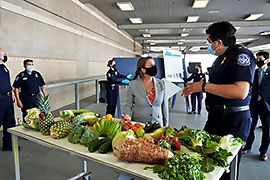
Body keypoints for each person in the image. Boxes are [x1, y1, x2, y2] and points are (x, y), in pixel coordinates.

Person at [181, 21, 256, 180]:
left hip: (233, 120)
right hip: (216, 117)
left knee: (225, 167)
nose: (209, 46)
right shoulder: (221, 58)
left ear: (218, 42)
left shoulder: (241, 56)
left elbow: (240, 91)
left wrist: (203, 87)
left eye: (209, 42)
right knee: (208, 163)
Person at [123, 56, 169, 126]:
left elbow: (164, 107)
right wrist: (127, 115)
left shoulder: (162, 84)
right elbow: (128, 105)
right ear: (143, 70)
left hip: (157, 124)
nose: (154, 67)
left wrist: (166, 126)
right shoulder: (133, 85)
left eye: (154, 65)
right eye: (150, 65)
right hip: (139, 124)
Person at [242, 51, 270, 161]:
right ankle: (248, 146)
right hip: (253, 104)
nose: (258, 61)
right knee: (250, 127)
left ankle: (263, 151)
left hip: (266, 106)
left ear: (267, 60)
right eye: (256, 59)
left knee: (267, 130)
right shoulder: (253, 72)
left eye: (260, 59)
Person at [0, 48, 16, 151]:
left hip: (8, 98)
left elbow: (7, 82)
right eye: (4, 54)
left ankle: (8, 145)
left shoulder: (4, 68)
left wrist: (12, 93)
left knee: (9, 123)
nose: (6, 56)